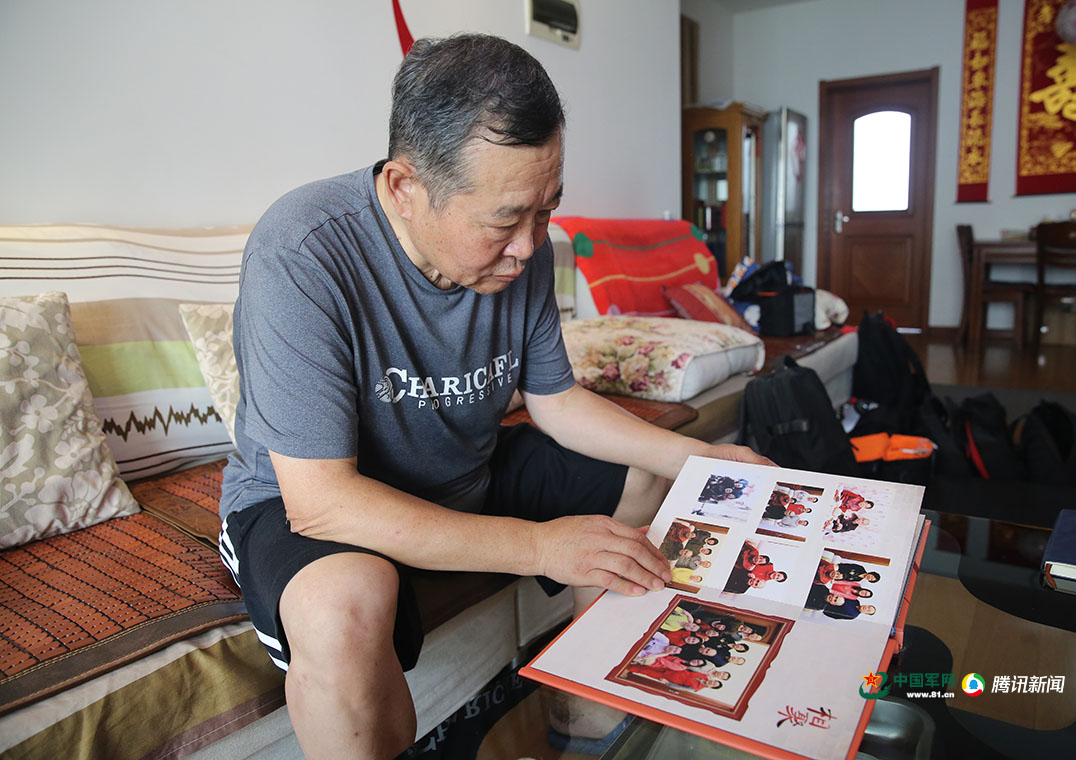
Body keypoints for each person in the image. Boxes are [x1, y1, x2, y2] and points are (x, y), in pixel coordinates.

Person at [216, 33, 771, 758]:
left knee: (643, 482)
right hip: (316, 503)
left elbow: (556, 401)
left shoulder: (522, 249)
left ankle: (587, 718)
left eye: (547, 211)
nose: (530, 245)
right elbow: (323, 501)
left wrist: (703, 459)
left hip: (463, 473)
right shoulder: (302, 251)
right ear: (405, 188)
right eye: (506, 220)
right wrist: (541, 546)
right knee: (341, 607)